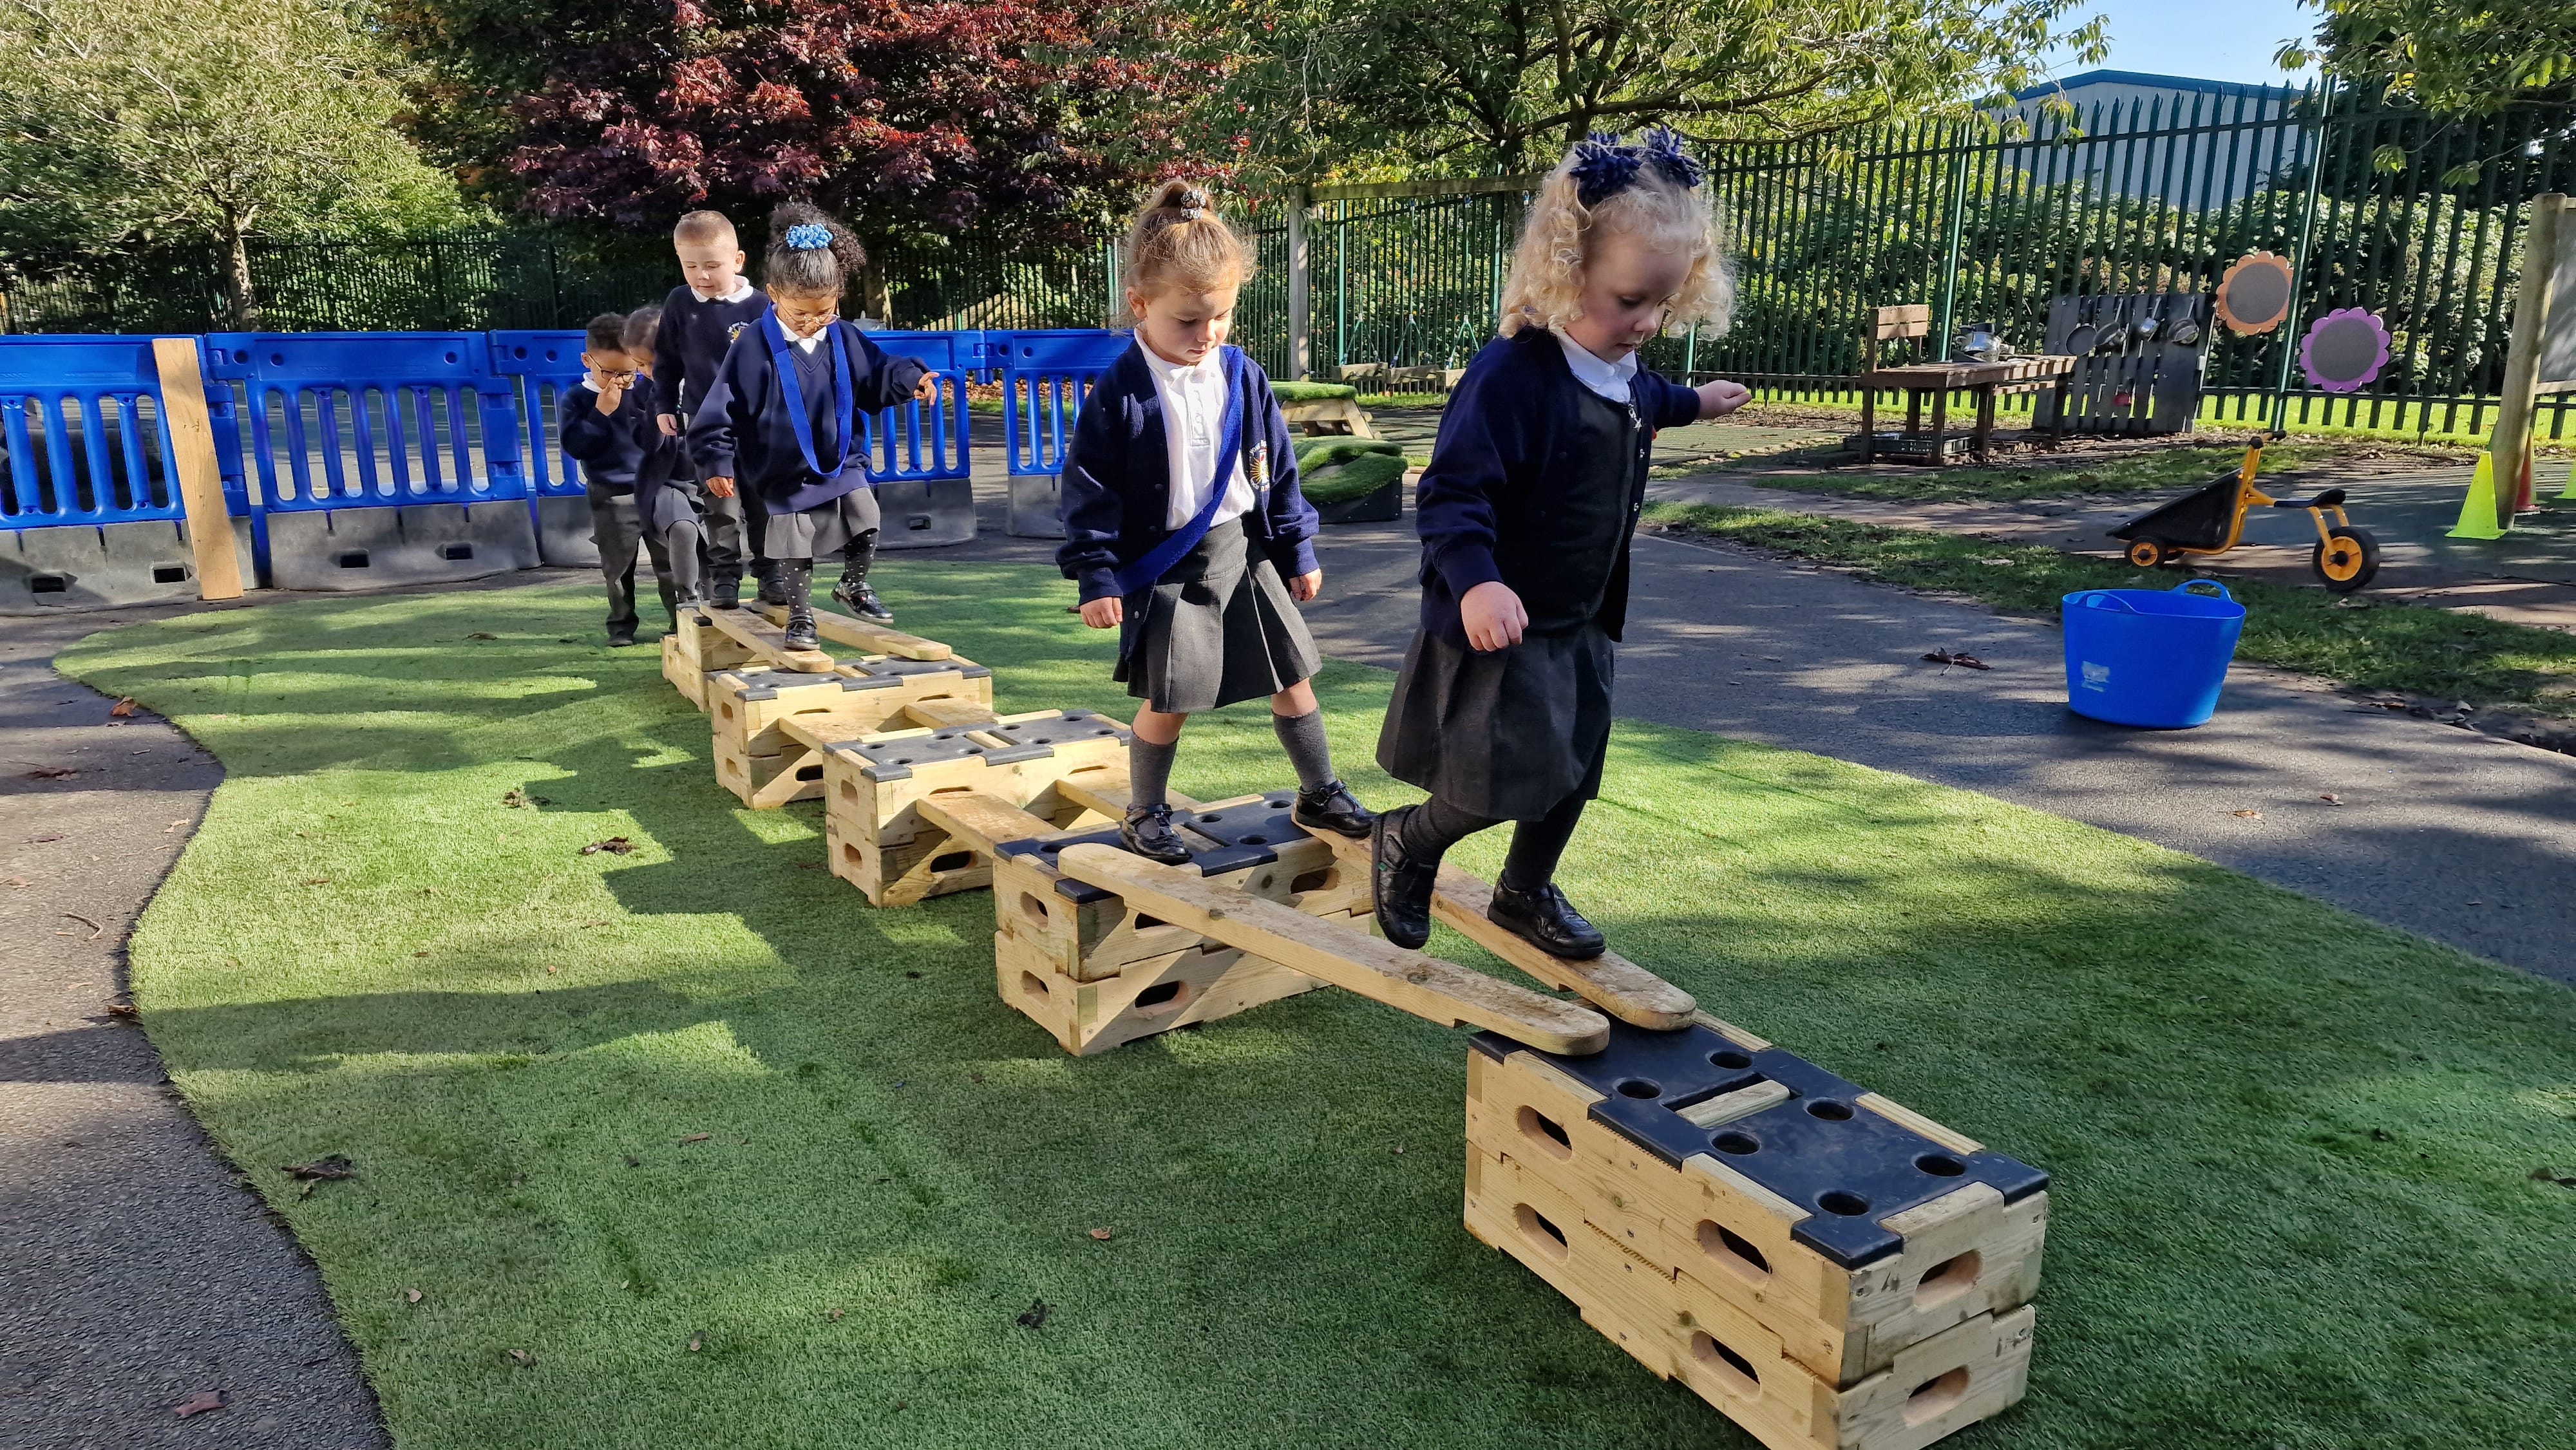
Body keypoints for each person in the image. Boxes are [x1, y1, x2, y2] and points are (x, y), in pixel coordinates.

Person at [1370, 129, 1750, 959]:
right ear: (1565, 272)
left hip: (1581, 615)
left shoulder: (1618, 366)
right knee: (1491, 779)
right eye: (1628, 301)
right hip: (1502, 617)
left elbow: (1648, 396)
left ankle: (1524, 889)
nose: (1647, 322)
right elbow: (1451, 490)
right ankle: (1408, 838)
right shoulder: (1512, 375)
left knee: (1573, 768)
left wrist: (1702, 402)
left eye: (1663, 303)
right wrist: (1475, 582)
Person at [1056, 180, 1372, 866]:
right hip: (1168, 567)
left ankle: (1318, 790)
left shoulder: (1243, 375)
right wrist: (1096, 574)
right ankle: (1143, 814)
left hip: (1246, 552)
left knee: (1293, 678)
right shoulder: (1119, 391)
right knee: (1171, 699)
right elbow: (1088, 490)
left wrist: (1297, 548)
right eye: (1188, 321)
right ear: (1140, 304)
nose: (1207, 335)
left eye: (1221, 317)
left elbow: (1277, 471)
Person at [689, 203, 935, 653]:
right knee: (794, 540)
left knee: (866, 516)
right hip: (782, 466)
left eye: (824, 310)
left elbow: (878, 373)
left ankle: (853, 585)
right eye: (800, 312)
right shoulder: (752, 347)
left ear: (838, 296)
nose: (812, 321)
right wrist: (716, 459)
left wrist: (910, 380)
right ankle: (800, 618)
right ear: (773, 294)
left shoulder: (843, 336)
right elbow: (720, 408)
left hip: (840, 456)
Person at [652, 210, 770, 610]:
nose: (701, 275)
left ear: (738, 260)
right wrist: (663, 403)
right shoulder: (681, 302)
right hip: (707, 428)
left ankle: (771, 575)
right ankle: (723, 579)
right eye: (691, 266)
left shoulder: (761, 306)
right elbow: (666, 360)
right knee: (721, 507)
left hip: (760, 428)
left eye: (712, 265)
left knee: (762, 504)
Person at [560, 311, 681, 646]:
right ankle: (621, 627)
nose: (621, 381)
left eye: (628, 372)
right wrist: (601, 413)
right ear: (588, 360)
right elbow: (575, 446)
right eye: (611, 372)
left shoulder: (646, 390)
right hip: (611, 494)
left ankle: (680, 621)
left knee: (670, 563)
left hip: (656, 490)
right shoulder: (577, 398)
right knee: (618, 568)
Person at [618, 305, 710, 616]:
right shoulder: (641, 392)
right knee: (682, 528)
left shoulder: (707, 381)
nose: (644, 370)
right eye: (639, 364)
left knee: (713, 552)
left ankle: (715, 606)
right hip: (665, 483)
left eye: (651, 362)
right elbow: (645, 443)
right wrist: (661, 400)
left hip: (709, 478)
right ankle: (688, 601)